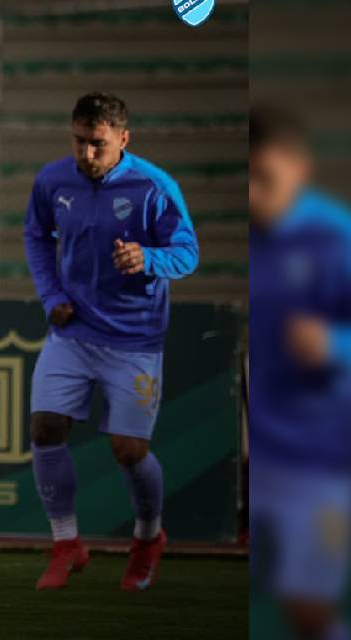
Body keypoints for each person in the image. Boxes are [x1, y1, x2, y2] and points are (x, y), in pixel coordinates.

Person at [23, 92, 198, 591]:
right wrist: (50, 293)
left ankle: (148, 538)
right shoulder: (53, 180)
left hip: (134, 339)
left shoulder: (154, 186)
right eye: (79, 142)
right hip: (72, 331)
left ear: (123, 138)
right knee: (45, 428)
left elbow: (188, 252)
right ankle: (66, 543)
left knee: (128, 449)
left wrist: (149, 258)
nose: (87, 154)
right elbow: (36, 236)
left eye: (97, 144)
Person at [248, 105, 351, 639]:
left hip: (318, 456)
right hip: (260, 448)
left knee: (306, 611)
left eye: (264, 179)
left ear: (299, 168)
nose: (251, 194)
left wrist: (333, 343)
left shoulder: (336, 238)